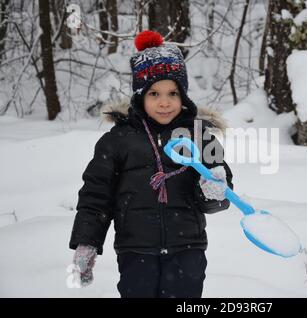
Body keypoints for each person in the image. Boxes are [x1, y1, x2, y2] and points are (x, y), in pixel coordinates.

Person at [69, 30, 233, 298]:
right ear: (139, 96)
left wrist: (214, 190)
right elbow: (96, 196)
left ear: (183, 96)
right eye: (154, 93)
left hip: (187, 250)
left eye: (173, 93)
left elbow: (219, 196)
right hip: (135, 251)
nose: (165, 102)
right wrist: (87, 242)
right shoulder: (118, 140)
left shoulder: (200, 136)